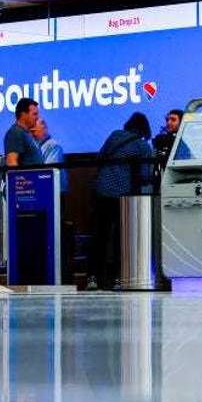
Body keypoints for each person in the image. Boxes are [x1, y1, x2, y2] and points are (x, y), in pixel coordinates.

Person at [87, 112, 154, 291]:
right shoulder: (142, 146)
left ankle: (93, 277)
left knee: (99, 236)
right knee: (120, 238)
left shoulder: (114, 136)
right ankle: (118, 278)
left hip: (101, 191)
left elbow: (99, 157)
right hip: (122, 196)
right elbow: (145, 175)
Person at [4, 97, 43, 167]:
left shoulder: (27, 134)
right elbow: (11, 162)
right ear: (24, 114)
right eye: (34, 114)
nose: (37, 117)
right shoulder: (15, 133)